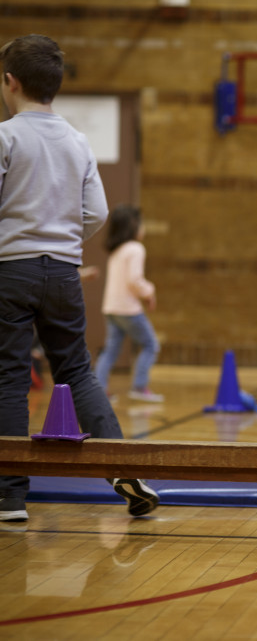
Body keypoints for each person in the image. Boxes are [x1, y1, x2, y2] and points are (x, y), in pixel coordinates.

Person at [0, 34, 159, 521]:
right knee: (76, 370)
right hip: (64, 272)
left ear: (10, 83)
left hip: (12, 270)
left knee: (8, 377)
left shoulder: (5, 137)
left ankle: (9, 497)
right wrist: (63, 238)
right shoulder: (78, 140)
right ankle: (121, 464)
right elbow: (98, 213)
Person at [94, 205, 164, 402]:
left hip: (111, 308)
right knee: (151, 344)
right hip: (127, 309)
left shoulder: (117, 250)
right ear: (133, 226)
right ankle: (140, 387)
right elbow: (134, 280)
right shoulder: (135, 248)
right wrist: (149, 291)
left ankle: (99, 390)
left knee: (110, 350)